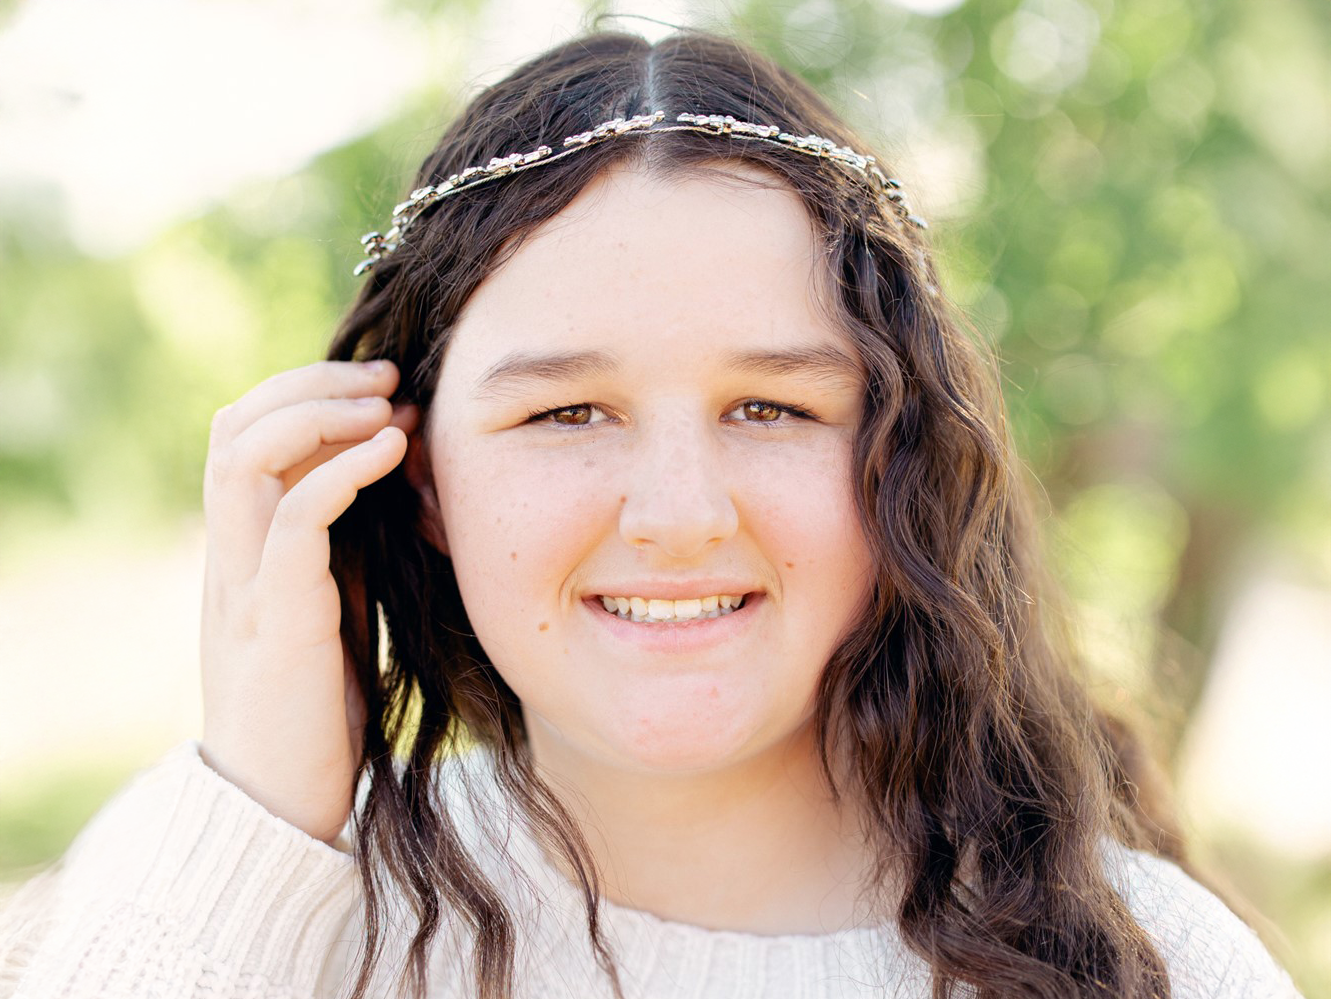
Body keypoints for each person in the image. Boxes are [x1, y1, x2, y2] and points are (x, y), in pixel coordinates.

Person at [0, 27, 1304, 999]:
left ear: (897, 457)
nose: (677, 516)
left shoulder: (1138, 961)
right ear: (415, 476)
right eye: (564, 414)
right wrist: (259, 813)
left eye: (772, 409)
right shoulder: (242, 929)